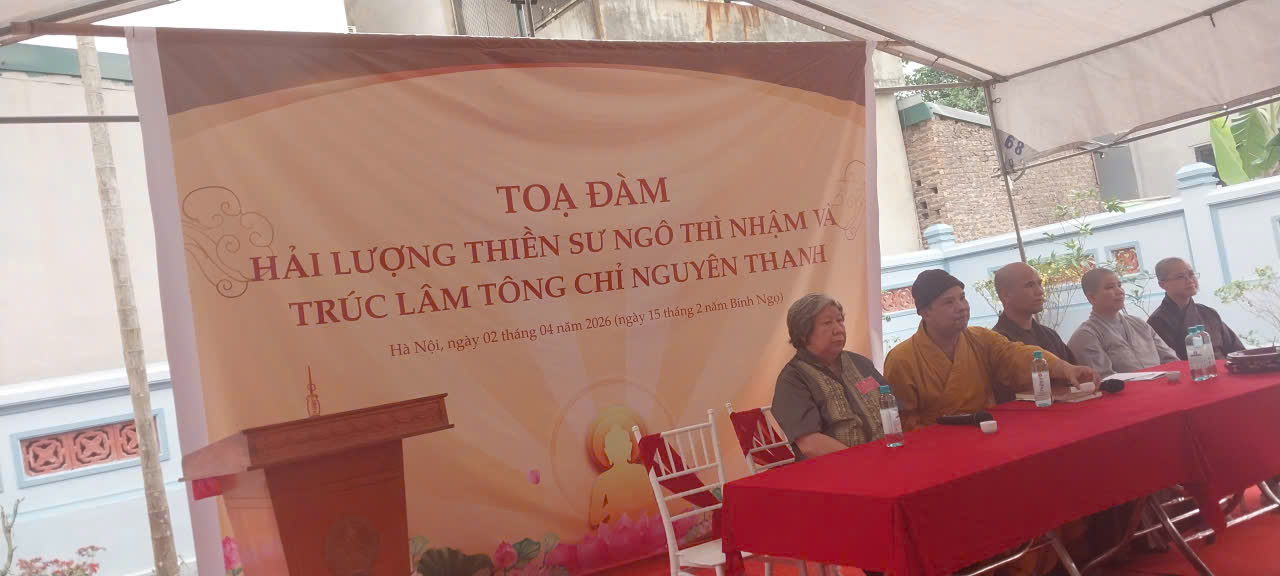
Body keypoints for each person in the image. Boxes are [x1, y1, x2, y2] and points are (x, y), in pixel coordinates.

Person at [884, 270, 1099, 432]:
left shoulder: (980, 339)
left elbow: (1017, 355)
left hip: (985, 430)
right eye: (949, 302)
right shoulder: (902, 359)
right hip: (936, 445)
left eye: (962, 297)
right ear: (925, 312)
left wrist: (1063, 368)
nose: (962, 307)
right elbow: (903, 421)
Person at [772, 293, 889, 461]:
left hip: (885, 456)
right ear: (803, 333)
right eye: (827, 323)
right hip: (836, 468)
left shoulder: (861, 364)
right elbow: (810, 444)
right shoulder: (792, 380)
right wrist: (863, 461)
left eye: (840, 320)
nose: (839, 329)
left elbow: (892, 408)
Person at [991, 262, 1076, 403]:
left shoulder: (1050, 335)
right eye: (1030, 285)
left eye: (1039, 284)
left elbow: (1073, 376)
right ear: (1006, 295)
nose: (1040, 291)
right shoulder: (998, 342)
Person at [1068, 268, 1178, 377]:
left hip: (1162, 383)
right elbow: (1105, 379)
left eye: (1119, 285)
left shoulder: (1138, 323)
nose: (1119, 291)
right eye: (1110, 287)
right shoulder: (1086, 335)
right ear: (1092, 297)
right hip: (1126, 388)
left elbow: (1170, 359)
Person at [1147, 257, 1245, 359]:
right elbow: (1169, 362)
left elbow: (1237, 351)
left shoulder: (1208, 312)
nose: (1190, 280)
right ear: (1162, 284)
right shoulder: (1158, 321)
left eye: (1191, 274)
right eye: (1180, 277)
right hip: (1193, 368)